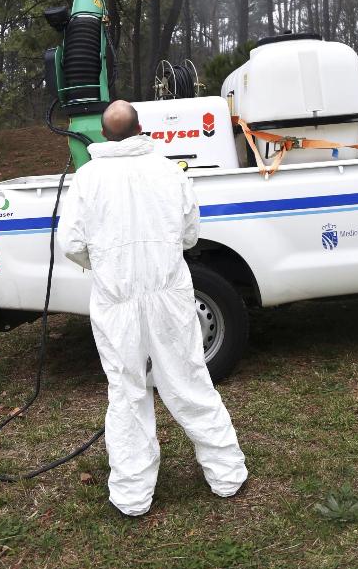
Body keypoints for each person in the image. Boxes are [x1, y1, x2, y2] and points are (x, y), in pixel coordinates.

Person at [57, 99, 247, 517]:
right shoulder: (168, 170)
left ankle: (132, 496)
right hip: (170, 295)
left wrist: (104, 265)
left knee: (127, 393)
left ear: (103, 135)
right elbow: (191, 234)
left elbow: (71, 244)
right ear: (141, 128)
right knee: (189, 380)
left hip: (116, 300)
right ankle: (227, 474)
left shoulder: (87, 179)